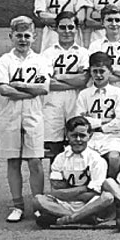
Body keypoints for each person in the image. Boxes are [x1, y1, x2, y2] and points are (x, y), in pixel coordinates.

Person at [0, 16, 50, 222]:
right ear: (11, 37)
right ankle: (17, 205)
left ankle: (39, 204)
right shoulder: (5, 60)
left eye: (27, 35)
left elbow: (43, 88)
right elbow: (3, 89)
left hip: (34, 116)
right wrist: (29, 90)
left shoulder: (40, 60)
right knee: (13, 161)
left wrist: (21, 86)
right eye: (19, 35)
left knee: (35, 161)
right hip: (10, 116)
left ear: (33, 37)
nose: (23, 40)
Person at [33, 117, 114, 228]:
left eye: (82, 135)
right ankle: (83, 218)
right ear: (67, 135)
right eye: (74, 135)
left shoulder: (96, 160)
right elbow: (56, 190)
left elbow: (93, 193)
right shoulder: (60, 158)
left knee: (107, 198)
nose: (78, 139)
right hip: (64, 205)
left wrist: (67, 192)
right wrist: (84, 188)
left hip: (90, 204)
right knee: (38, 200)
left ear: (89, 136)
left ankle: (69, 219)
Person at [41, 12, 90, 159]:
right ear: (56, 29)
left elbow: (83, 80)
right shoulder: (47, 53)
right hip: (52, 102)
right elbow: (46, 82)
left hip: (75, 101)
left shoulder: (83, 53)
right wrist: (73, 81)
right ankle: (56, 180)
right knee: (54, 149)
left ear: (76, 29)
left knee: (76, 143)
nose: (67, 31)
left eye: (71, 27)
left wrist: (59, 77)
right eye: (63, 27)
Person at [74, 52, 120, 178]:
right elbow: (79, 121)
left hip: (113, 136)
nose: (98, 75)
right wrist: (103, 122)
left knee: (114, 157)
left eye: (102, 71)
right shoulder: (84, 94)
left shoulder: (117, 93)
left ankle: (111, 184)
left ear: (110, 71)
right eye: (95, 71)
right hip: (92, 136)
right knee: (86, 157)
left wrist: (94, 123)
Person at [88, 6, 120, 136]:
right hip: (102, 90)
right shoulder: (96, 45)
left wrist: (109, 69)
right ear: (103, 23)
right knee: (104, 123)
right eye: (109, 20)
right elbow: (95, 74)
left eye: (117, 20)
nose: (114, 24)